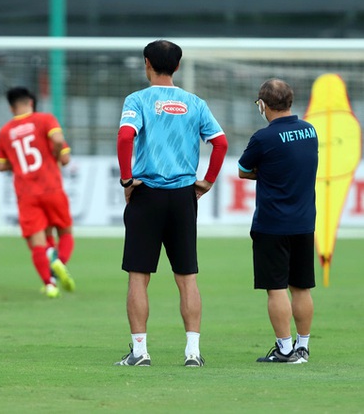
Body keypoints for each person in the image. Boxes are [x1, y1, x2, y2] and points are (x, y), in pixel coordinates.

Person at [114, 40, 228, 367]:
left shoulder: (137, 100)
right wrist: (207, 181)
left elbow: (125, 137)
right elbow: (219, 143)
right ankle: (192, 352)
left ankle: (139, 352)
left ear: (146, 63)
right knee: (187, 276)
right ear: (177, 67)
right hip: (183, 196)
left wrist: (126, 179)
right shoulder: (195, 103)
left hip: (146, 193)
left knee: (139, 275)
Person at [238, 78, 318, 364]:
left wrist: (268, 172)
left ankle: (285, 349)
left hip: (272, 223)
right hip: (305, 221)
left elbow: (243, 170)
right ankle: (303, 346)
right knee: (302, 287)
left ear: (262, 105)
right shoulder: (310, 131)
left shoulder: (263, 138)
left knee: (276, 288)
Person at [0, 86, 76, 299]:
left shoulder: (5, 132)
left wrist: (18, 164)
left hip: (26, 193)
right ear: (30, 102)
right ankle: (58, 261)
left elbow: (1, 166)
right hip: (51, 187)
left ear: (12, 107)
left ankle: (49, 284)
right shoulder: (45, 120)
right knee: (65, 232)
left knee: (37, 241)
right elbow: (61, 148)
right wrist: (55, 155)